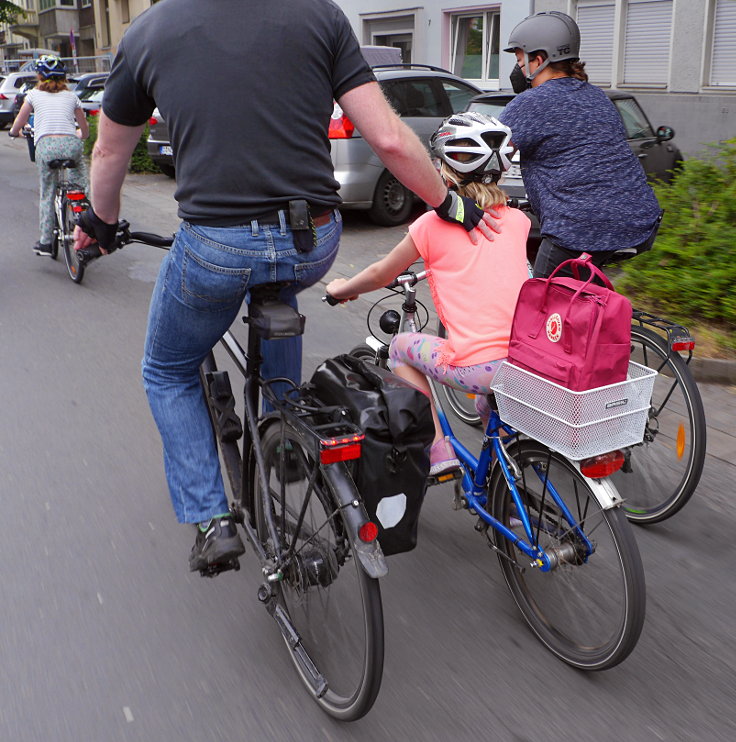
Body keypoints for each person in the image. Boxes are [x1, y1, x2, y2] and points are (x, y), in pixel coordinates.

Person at [72, 0, 498, 574]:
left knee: (167, 370)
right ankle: (285, 427)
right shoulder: (318, 15)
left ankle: (212, 520)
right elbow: (391, 139)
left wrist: (100, 224)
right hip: (313, 241)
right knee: (279, 285)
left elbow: (109, 150)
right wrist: (450, 203)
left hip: (218, 246)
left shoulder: (148, 31)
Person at [326, 113, 530, 475]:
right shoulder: (517, 220)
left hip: (477, 367)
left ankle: (439, 450)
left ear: (445, 170)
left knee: (401, 347)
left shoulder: (432, 225)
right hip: (524, 365)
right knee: (490, 408)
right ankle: (507, 498)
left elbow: (381, 273)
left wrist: (342, 288)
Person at [498, 11, 662, 279]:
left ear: (538, 60)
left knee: (538, 308)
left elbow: (486, 154)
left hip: (580, 226)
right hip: (637, 218)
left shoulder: (530, 103)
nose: (518, 69)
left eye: (519, 60)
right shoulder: (598, 97)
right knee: (585, 305)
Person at [9, 55, 89, 256]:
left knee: (48, 192)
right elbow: (84, 128)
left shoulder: (33, 95)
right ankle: (83, 217)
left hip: (46, 147)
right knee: (79, 183)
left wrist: (13, 132)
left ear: (39, 77)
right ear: (64, 78)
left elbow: (19, 122)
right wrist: (80, 135)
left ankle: (45, 242)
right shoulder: (72, 97)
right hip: (71, 145)